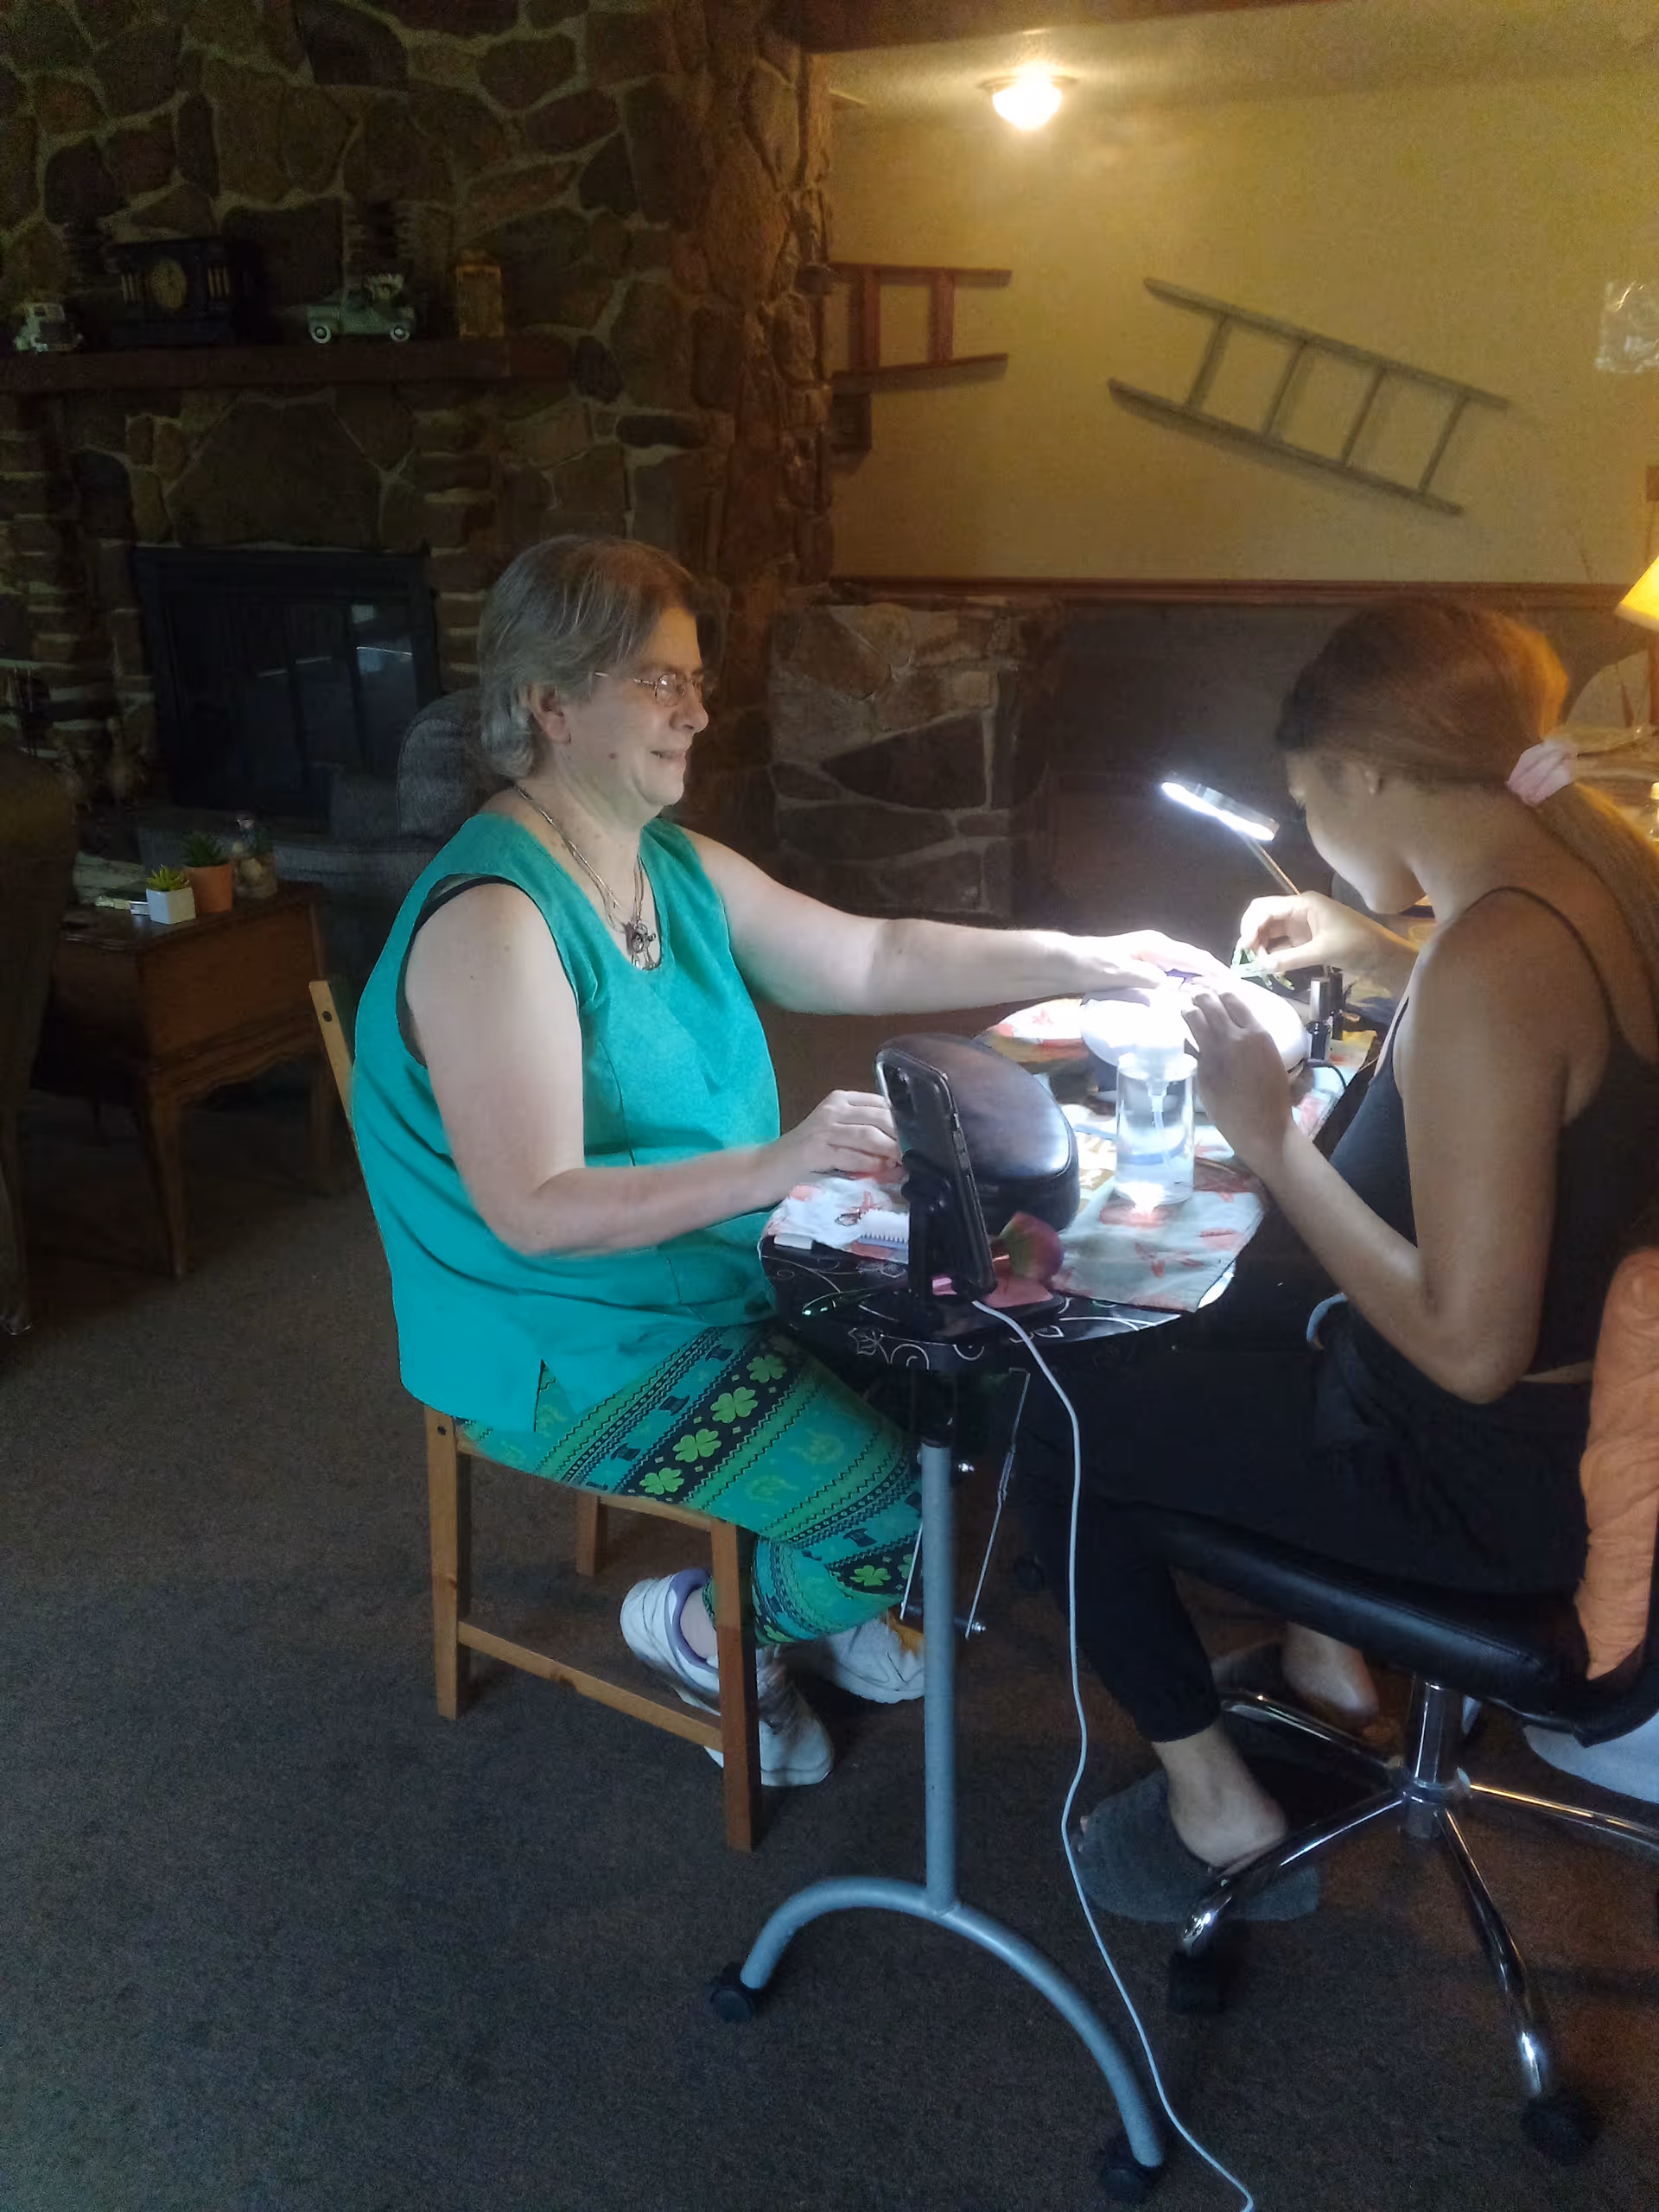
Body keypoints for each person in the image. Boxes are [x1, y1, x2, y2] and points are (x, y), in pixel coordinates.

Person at [351, 533, 1221, 1789]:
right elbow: (534, 1213)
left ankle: (802, 1587)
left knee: (980, 1377)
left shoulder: (666, 868)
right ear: (550, 703)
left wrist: (1090, 953)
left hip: (712, 1268)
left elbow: (873, 960)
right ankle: (704, 1631)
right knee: (894, 1507)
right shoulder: (495, 919)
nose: (698, 710)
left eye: (695, 680)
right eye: (660, 681)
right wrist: (780, 1163)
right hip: (561, 1343)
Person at [1014, 597, 1659, 1918]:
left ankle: (1220, 1812)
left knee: (1055, 1403)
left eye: (1306, 803)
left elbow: (1471, 1352)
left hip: (1482, 1481)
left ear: (1365, 772)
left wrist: (1267, 1133)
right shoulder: (1596, 891)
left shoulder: (1498, 961)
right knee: (1196, 1320)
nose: (1305, 832)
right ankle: (1329, 1671)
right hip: (1563, 1427)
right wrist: (1379, 951)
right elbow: (1519, 1053)